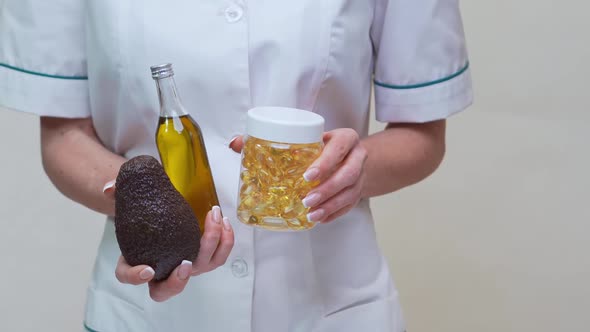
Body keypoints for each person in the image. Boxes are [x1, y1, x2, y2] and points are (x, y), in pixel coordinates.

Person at [0, 0, 472, 331]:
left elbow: (422, 133)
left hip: (329, 303)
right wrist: (142, 213)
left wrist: (352, 172)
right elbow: (64, 135)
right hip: (149, 311)